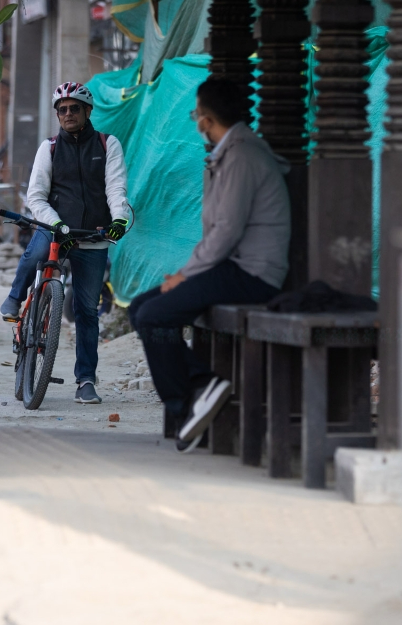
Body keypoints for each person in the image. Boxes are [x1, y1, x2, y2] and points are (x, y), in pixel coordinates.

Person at [128, 77, 291, 452]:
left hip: (252, 274)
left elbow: (226, 232)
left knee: (153, 316)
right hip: (230, 268)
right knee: (141, 309)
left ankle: (193, 397)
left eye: (196, 113)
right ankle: (197, 392)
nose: (195, 120)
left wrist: (185, 276)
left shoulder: (243, 156)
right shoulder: (226, 154)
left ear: (205, 118)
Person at [0, 81, 132, 405]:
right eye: (62, 110)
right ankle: (16, 298)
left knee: (87, 310)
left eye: (74, 108)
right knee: (35, 255)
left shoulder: (107, 144)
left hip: (92, 236)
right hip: (56, 227)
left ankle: (86, 380)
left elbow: (116, 189)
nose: (68, 113)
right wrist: (57, 224)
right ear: (57, 115)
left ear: (88, 111)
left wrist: (118, 221)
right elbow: (36, 196)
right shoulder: (49, 148)